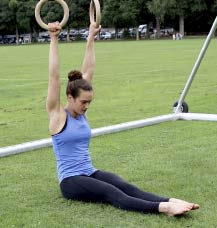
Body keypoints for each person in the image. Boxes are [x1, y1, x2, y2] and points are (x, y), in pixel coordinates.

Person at [47, 21, 200, 217]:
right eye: (83, 102)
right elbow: (53, 78)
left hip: (89, 171)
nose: (87, 107)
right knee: (110, 192)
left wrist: (91, 37)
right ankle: (164, 209)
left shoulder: (82, 106)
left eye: (89, 102)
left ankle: (169, 200)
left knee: (125, 185)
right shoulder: (58, 116)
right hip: (71, 180)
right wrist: (53, 38)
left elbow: (89, 71)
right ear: (70, 97)